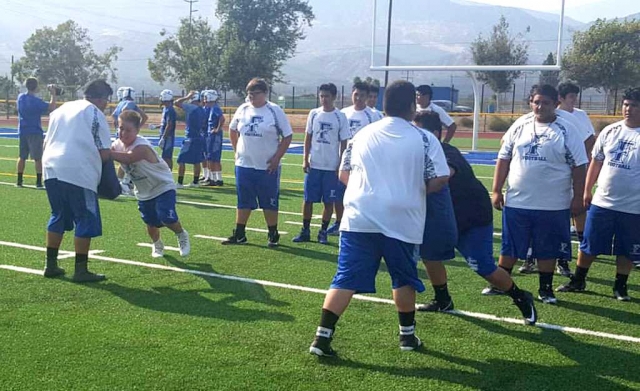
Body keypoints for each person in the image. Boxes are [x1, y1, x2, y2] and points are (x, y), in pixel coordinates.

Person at [309, 80, 449, 357]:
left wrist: (366, 192)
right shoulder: (424, 137)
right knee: (404, 278)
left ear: (384, 105)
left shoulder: (362, 134)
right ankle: (407, 337)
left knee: (345, 279)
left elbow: (343, 173)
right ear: (412, 106)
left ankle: (321, 339)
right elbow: (440, 178)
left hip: (359, 217)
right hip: (401, 218)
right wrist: (414, 190)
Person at [413, 111, 537, 324]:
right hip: (442, 218)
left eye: (419, 131)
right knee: (430, 256)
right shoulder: (415, 154)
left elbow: (446, 173)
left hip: (470, 218)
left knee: (482, 265)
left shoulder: (446, 151)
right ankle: (443, 299)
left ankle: (520, 296)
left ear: (434, 134)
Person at [491, 84, 588, 304]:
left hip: (552, 204)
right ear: (530, 102)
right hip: (517, 200)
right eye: (536, 102)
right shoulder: (520, 126)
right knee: (511, 245)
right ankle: (500, 283)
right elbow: (503, 158)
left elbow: (580, 166)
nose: (540, 106)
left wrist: (578, 196)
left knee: (547, 248)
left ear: (556, 104)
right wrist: (496, 190)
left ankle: (546, 289)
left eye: (545, 102)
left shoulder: (567, 129)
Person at [557, 87, 640, 301]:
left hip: (633, 206)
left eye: (633, 105)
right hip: (603, 202)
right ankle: (578, 280)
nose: (628, 109)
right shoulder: (610, 131)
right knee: (589, 243)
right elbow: (596, 161)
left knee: (627, 249)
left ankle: (620, 287)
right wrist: (586, 189)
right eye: (626, 104)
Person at [41, 79, 113, 283]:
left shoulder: (62, 109)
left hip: (51, 166)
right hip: (77, 169)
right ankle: (81, 269)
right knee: (85, 217)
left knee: (58, 214)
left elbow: (48, 140)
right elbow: (104, 152)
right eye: (106, 100)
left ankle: (51, 264)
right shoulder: (94, 112)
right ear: (100, 98)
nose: (106, 104)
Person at [222, 78, 293, 247]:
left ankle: (273, 232)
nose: (252, 96)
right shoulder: (243, 109)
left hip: (266, 165)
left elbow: (287, 135)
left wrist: (277, 158)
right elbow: (232, 130)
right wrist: (236, 150)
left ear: (265, 93)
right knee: (243, 199)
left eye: (255, 93)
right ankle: (239, 233)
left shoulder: (274, 111)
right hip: (244, 164)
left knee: (269, 200)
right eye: (249, 93)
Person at [111, 110, 190, 258]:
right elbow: (120, 163)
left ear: (137, 130)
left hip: (162, 186)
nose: (123, 133)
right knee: (150, 222)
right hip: (143, 190)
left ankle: (181, 234)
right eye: (121, 128)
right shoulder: (117, 145)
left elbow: (128, 159)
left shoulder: (141, 146)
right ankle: (157, 244)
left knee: (166, 216)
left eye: (128, 130)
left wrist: (103, 153)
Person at [292, 83, 350, 245]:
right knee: (308, 199)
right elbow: (308, 137)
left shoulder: (340, 116)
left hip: (331, 166)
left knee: (329, 201)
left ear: (334, 97)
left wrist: (340, 163)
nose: (324, 99)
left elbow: (343, 142)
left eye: (327, 96)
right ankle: (305, 230)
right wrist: (305, 158)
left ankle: (323, 231)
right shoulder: (314, 113)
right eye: (321, 96)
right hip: (314, 164)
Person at [326, 82, 379, 236]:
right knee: (340, 193)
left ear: (367, 97)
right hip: (345, 160)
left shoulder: (374, 115)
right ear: (352, 94)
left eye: (362, 95)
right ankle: (339, 222)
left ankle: (365, 222)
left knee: (363, 192)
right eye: (356, 94)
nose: (359, 98)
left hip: (364, 161)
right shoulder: (343, 113)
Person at [16, 77, 57, 188]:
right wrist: (53, 94)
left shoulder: (20, 98)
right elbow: (52, 107)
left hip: (23, 130)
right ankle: (38, 182)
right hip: (34, 131)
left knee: (22, 156)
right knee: (38, 158)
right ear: (36, 87)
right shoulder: (36, 101)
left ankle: (19, 181)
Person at [174, 91, 206, 188]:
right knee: (197, 161)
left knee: (181, 160)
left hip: (190, 138)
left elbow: (176, 102)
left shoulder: (192, 108)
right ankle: (195, 182)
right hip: (199, 137)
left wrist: (187, 97)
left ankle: (180, 182)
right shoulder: (202, 110)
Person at [203, 90, 226, 186]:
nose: (204, 100)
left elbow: (222, 118)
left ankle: (213, 179)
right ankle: (218, 179)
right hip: (212, 136)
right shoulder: (213, 108)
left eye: (205, 98)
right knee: (213, 158)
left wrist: (217, 129)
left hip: (214, 137)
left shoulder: (215, 108)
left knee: (212, 157)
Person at [158, 89, 177, 170]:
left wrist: (164, 137)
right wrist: (157, 126)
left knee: (167, 157)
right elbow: (165, 124)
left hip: (168, 136)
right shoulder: (166, 108)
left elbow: (169, 124)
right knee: (164, 156)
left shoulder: (170, 110)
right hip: (165, 135)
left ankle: (169, 175)